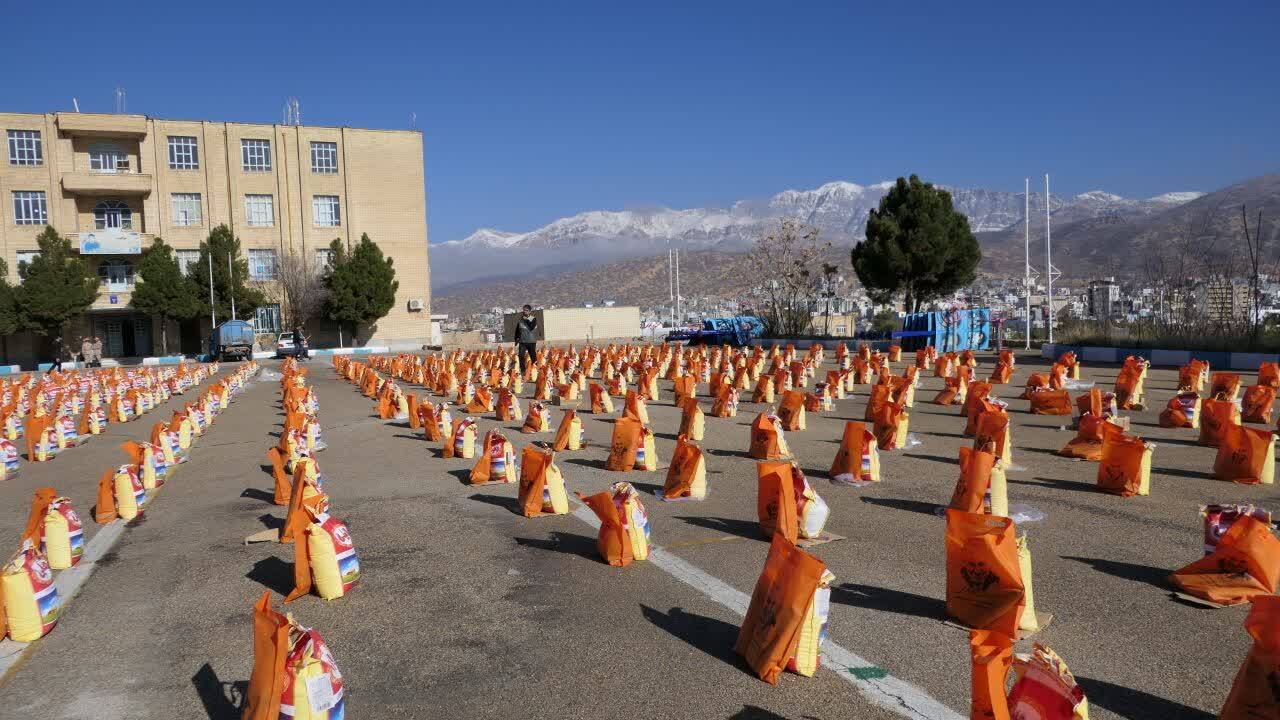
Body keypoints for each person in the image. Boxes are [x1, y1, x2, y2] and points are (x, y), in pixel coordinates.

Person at [515, 305, 538, 372]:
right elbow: (517, 330)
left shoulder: (533, 319)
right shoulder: (520, 319)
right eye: (524, 310)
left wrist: (526, 319)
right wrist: (516, 339)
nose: (525, 312)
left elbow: (531, 327)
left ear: (530, 311)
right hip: (522, 341)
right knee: (521, 356)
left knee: (533, 356)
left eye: (526, 310)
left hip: (531, 341)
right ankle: (523, 371)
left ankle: (535, 369)